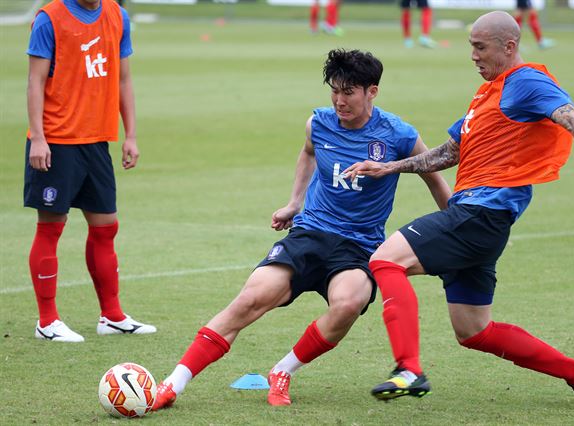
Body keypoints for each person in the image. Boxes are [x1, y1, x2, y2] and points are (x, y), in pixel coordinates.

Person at [151, 48, 451, 409]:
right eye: (334, 91)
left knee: (349, 302)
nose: (339, 101)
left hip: (358, 247)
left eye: (349, 92)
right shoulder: (319, 123)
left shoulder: (398, 134)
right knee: (250, 299)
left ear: (372, 91)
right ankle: (172, 384)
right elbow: (308, 152)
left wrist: (454, 227)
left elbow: (432, 174)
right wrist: (295, 202)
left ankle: (283, 370)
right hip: (310, 233)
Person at [343, 11, 574, 405]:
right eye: (471, 47)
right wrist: (390, 167)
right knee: (473, 331)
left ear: (509, 47)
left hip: (479, 213)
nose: (473, 56)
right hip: (483, 223)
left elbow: (569, 115)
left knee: (385, 261)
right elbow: (450, 152)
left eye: (480, 47)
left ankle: (408, 368)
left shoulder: (526, 81)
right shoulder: (488, 95)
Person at [25, 0, 156, 342]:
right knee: (51, 228)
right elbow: (35, 81)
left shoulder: (117, 15)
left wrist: (130, 135)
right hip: (56, 140)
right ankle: (47, 321)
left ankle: (111, 316)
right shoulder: (49, 18)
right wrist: (38, 138)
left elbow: (123, 79)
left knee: (105, 228)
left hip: (97, 141)